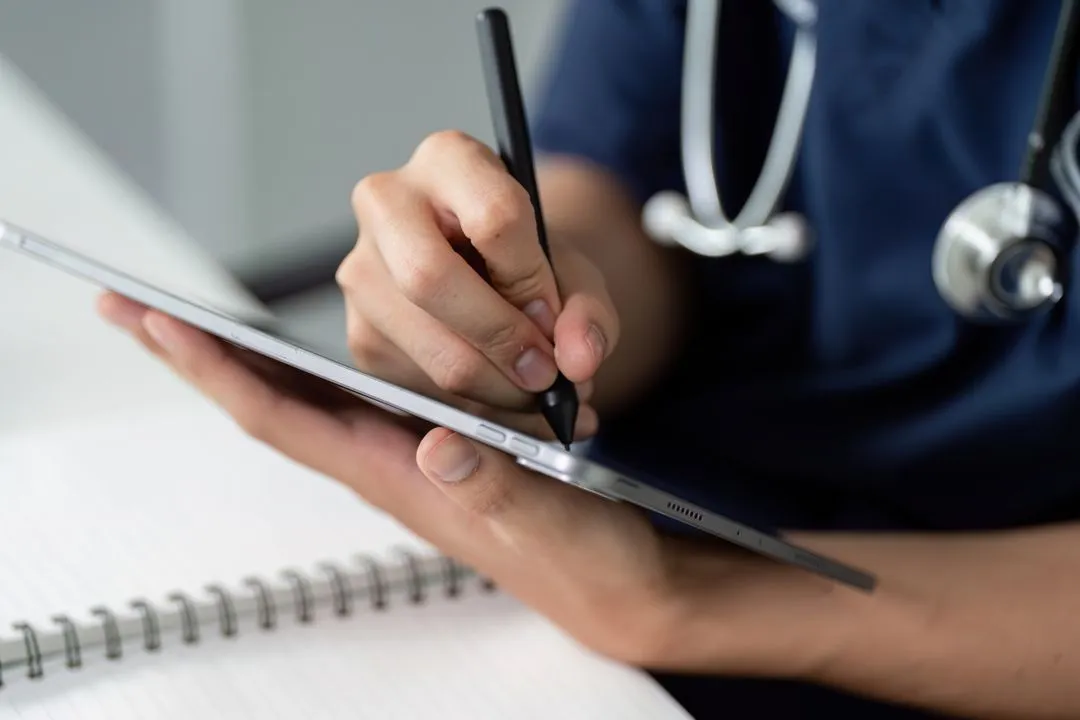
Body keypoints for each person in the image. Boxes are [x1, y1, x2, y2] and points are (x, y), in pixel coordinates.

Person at [97, 1, 1080, 717]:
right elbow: (618, 188)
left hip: (962, 636)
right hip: (601, 540)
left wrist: (690, 600)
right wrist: (521, 288)